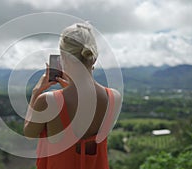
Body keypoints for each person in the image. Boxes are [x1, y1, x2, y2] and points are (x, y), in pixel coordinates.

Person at [24, 22, 122, 169]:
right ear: (94, 57)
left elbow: (29, 133)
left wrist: (35, 93)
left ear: (63, 58)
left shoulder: (49, 101)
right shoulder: (114, 98)